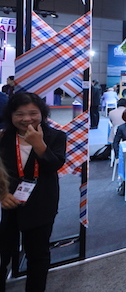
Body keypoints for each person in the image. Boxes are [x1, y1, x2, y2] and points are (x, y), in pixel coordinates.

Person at [0, 93, 66, 291]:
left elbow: (54, 165)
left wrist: (39, 144)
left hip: (41, 204)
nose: (26, 119)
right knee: (3, 253)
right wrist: (2, 194)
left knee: (37, 255)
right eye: (19, 114)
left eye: (32, 113)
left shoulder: (56, 136)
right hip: (8, 203)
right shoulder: (4, 137)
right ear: (11, 115)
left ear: (42, 114)